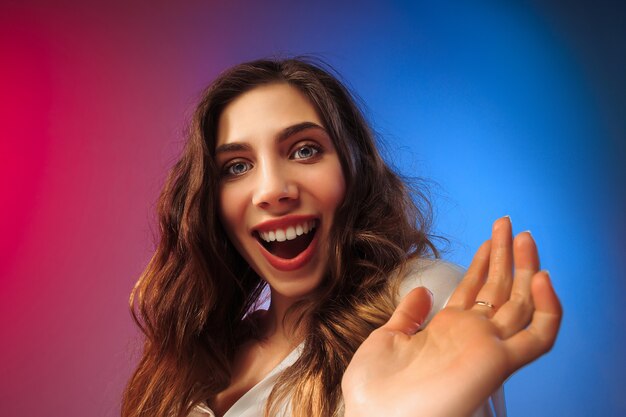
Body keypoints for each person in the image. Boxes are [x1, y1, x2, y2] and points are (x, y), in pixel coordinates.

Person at [122, 58, 561, 417]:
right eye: (237, 166)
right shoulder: (196, 357)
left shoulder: (419, 298)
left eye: (305, 150)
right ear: (211, 202)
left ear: (354, 171)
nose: (273, 190)